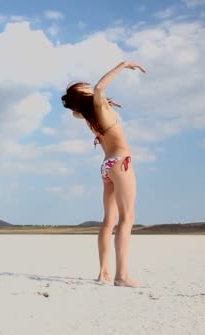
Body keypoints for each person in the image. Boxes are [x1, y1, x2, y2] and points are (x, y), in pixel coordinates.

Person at [61, 61, 146, 287]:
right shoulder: (96, 106)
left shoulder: (89, 116)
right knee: (127, 219)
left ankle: (103, 273)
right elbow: (99, 89)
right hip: (120, 163)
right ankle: (122, 276)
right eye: (85, 88)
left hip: (107, 165)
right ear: (84, 95)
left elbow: (76, 114)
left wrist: (101, 102)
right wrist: (124, 65)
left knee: (109, 221)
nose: (90, 87)